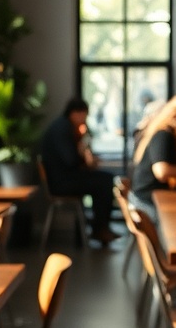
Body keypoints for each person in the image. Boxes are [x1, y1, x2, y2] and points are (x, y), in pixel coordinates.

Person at [40, 97, 118, 245]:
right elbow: (70, 160)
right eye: (84, 115)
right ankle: (100, 229)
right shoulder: (62, 128)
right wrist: (83, 154)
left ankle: (101, 228)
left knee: (104, 179)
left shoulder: (65, 127)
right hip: (61, 183)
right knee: (104, 181)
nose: (84, 120)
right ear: (76, 113)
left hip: (64, 178)